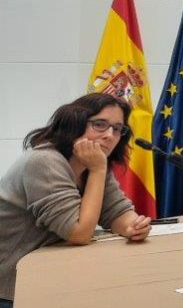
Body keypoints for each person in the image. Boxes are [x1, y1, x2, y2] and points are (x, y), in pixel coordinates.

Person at [0, 93, 152, 305]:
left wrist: (133, 226)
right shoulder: (44, 161)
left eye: (117, 128)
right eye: (100, 124)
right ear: (75, 123)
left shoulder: (94, 163)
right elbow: (79, 233)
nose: (110, 135)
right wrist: (98, 170)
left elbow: (117, 212)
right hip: (12, 286)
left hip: (52, 275)